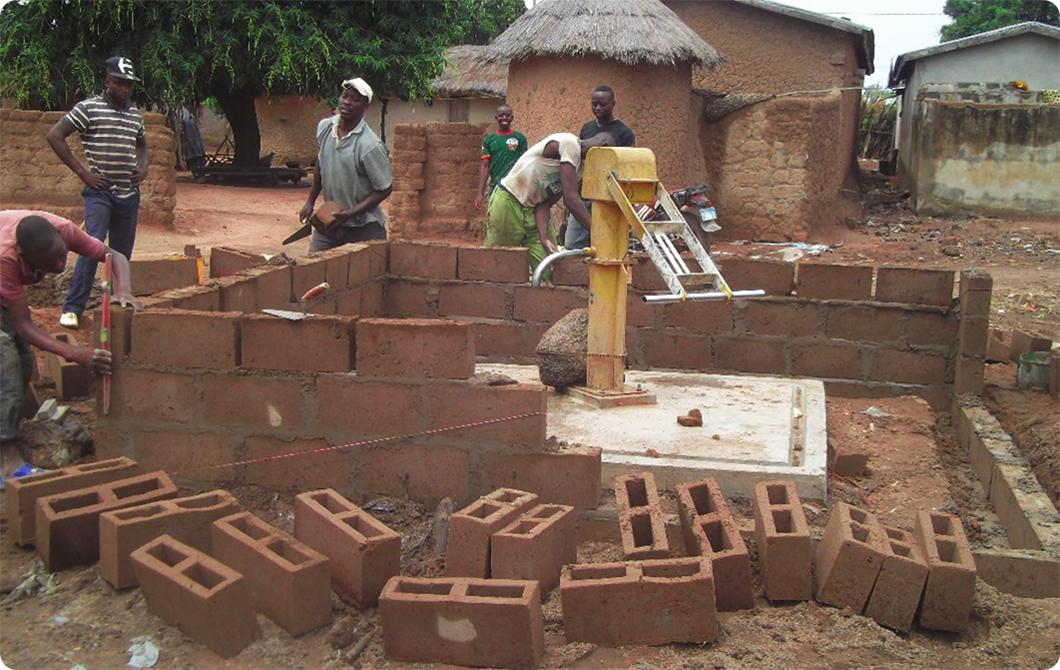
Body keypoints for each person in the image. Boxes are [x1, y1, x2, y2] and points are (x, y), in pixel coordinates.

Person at [0, 211, 137, 480]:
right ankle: (6, 462)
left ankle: (10, 428)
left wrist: (124, 289)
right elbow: (24, 326)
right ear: (26, 258)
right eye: (49, 263)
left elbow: (115, 257)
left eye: (62, 255)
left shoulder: (65, 230)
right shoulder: (8, 258)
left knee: (24, 363)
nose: (61, 263)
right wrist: (72, 352)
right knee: (6, 365)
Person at [47, 56, 149, 330]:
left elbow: (142, 144)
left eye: (129, 84)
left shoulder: (134, 114)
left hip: (129, 194)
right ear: (107, 81)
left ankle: (119, 303)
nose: (124, 89)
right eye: (119, 83)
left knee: (122, 253)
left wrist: (144, 167)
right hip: (100, 193)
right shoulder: (88, 108)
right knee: (92, 247)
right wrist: (83, 174)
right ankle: (72, 308)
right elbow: (55, 135)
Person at [485, 132, 616, 274]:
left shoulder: (578, 168)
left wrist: (544, 238)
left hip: (533, 210)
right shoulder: (569, 144)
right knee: (497, 263)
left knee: (550, 269)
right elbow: (571, 199)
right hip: (508, 202)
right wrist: (599, 233)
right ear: (602, 148)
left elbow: (544, 204)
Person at [299, 77, 393, 252]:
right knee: (315, 272)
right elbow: (321, 164)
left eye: (355, 100)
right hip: (330, 224)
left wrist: (352, 213)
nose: (347, 102)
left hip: (364, 229)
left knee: (362, 277)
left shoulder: (369, 145)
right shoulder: (325, 128)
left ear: (365, 107)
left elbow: (385, 188)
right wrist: (310, 201)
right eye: (345, 96)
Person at [565, 85, 636, 250]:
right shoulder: (587, 128)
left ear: (613, 104)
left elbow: (628, 167)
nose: (597, 108)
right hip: (585, 193)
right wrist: (572, 197)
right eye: (594, 104)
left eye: (602, 104)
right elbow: (580, 163)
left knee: (608, 244)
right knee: (572, 244)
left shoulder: (624, 132)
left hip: (610, 197)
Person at [474, 104, 528, 210]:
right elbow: (485, 166)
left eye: (507, 115)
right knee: (495, 219)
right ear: (496, 118)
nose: (504, 118)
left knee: (515, 220)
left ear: (512, 118)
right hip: (496, 186)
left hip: (515, 187)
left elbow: (524, 164)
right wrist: (480, 193)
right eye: (501, 115)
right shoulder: (489, 140)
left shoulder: (520, 138)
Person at [180, 103, 206, 174]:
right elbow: (190, 136)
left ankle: (198, 174)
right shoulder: (187, 118)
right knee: (194, 160)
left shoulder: (190, 117)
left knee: (196, 160)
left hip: (195, 144)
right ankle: (198, 174)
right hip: (192, 145)